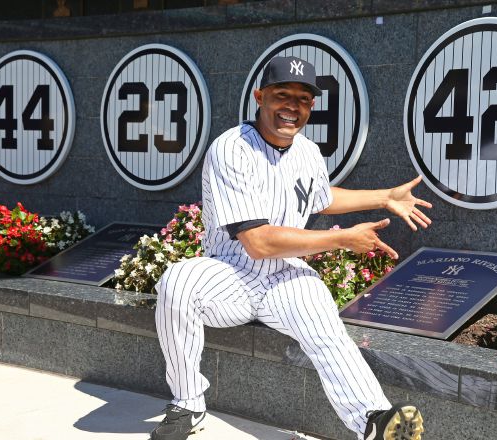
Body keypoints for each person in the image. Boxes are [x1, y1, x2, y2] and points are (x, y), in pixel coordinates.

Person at [151, 56, 430, 440]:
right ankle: (187, 403)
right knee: (178, 282)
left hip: (286, 276)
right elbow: (258, 242)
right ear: (260, 96)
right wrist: (342, 239)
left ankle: (374, 421)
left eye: (303, 98)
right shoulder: (231, 149)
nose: (292, 106)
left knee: (324, 326)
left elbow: (320, 198)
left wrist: (385, 197)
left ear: (311, 106)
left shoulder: (308, 152)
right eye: (282, 95)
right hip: (230, 273)